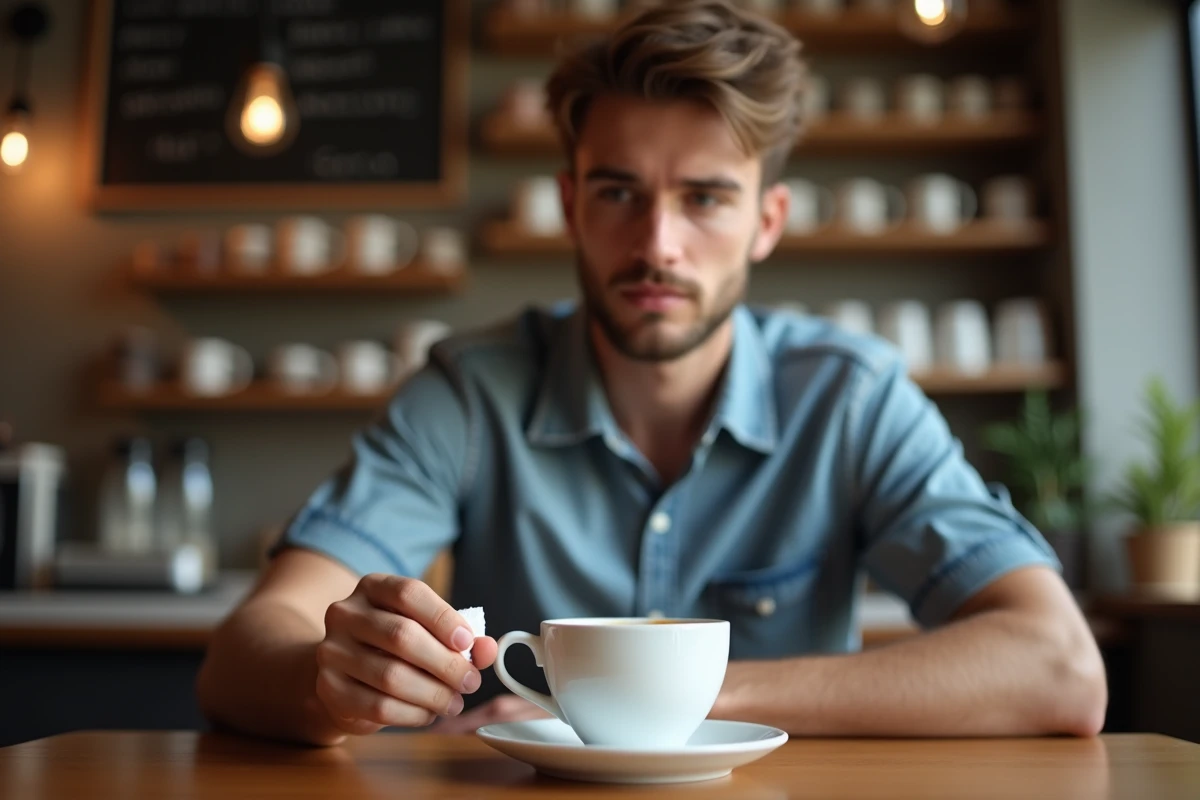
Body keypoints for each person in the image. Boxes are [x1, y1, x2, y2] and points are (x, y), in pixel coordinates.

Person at [197, 0, 1106, 746]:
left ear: (768, 222)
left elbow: (1059, 666)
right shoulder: (470, 393)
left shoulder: (851, 398)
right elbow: (244, 651)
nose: (657, 244)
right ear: (569, 204)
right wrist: (333, 686)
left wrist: (658, 703)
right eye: (619, 192)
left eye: (705, 198)